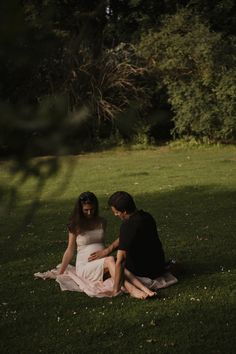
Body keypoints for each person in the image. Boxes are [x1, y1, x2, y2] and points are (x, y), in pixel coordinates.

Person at [35, 191, 156, 299]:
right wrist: (61, 272)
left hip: (102, 262)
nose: (89, 212)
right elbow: (70, 250)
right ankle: (133, 291)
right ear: (80, 209)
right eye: (86, 210)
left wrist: (106, 251)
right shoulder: (75, 225)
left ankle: (145, 289)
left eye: (92, 209)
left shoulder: (102, 221)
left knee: (118, 266)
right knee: (111, 261)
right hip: (85, 266)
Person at [89, 191, 174, 296]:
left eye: (116, 212)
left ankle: (133, 289)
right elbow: (125, 238)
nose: (115, 215)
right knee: (109, 265)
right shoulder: (146, 216)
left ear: (124, 212)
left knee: (107, 267)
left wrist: (115, 290)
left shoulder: (128, 226)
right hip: (157, 266)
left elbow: (121, 260)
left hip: (144, 271)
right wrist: (108, 250)